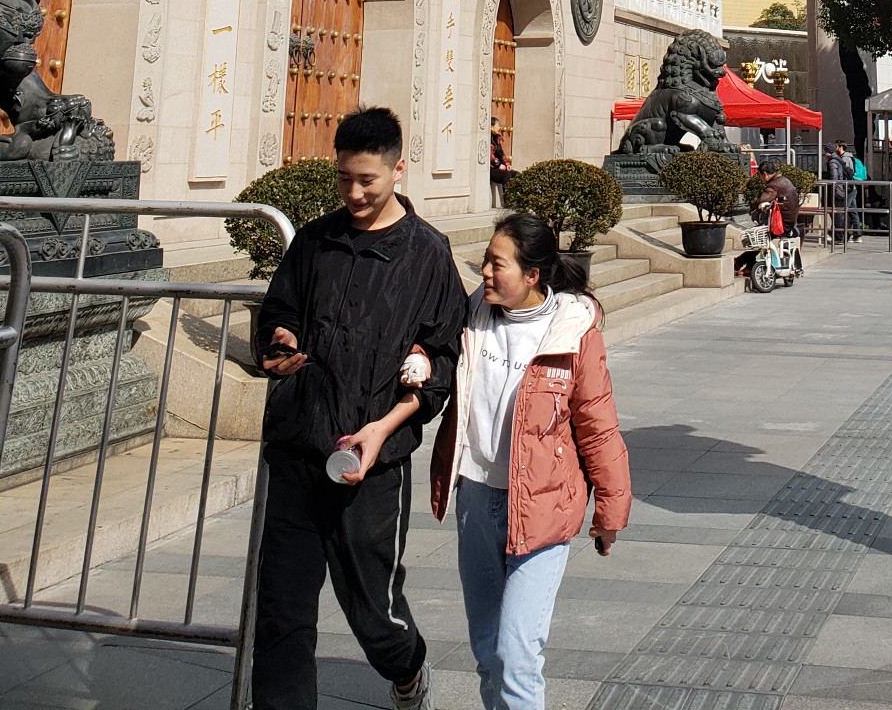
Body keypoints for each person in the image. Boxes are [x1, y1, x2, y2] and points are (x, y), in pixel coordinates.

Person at [252, 105, 468, 710]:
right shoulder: (314, 240)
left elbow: (442, 359)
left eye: (366, 180)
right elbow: (278, 311)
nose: (353, 193)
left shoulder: (427, 255)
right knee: (281, 610)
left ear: (398, 170)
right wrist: (277, 344)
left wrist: (385, 426)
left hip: (371, 461)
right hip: (298, 446)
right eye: (344, 178)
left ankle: (407, 669)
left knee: (374, 610)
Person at [431, 212, 631, 710]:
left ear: (532, 275)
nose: (485, 272)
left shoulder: (572, 331)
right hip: (476, 498)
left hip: (544, 507)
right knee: (487, 652)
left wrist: (610, 512)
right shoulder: (471, 314)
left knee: (517, 655)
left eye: (497, 264)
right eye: (485, 260)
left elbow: (598, 425)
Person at [490, 118, 513, 209]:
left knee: (516, 174)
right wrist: (499, 165)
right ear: (491, 127)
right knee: (506, 176)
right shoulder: (488, 138)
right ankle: (508, 202)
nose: (499, 128)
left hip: (498, 166)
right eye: (497, 125)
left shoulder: (497, 138)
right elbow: (490, 156)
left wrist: (507, 164)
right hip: (491, 168)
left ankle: (518, 200)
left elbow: (501, 154)